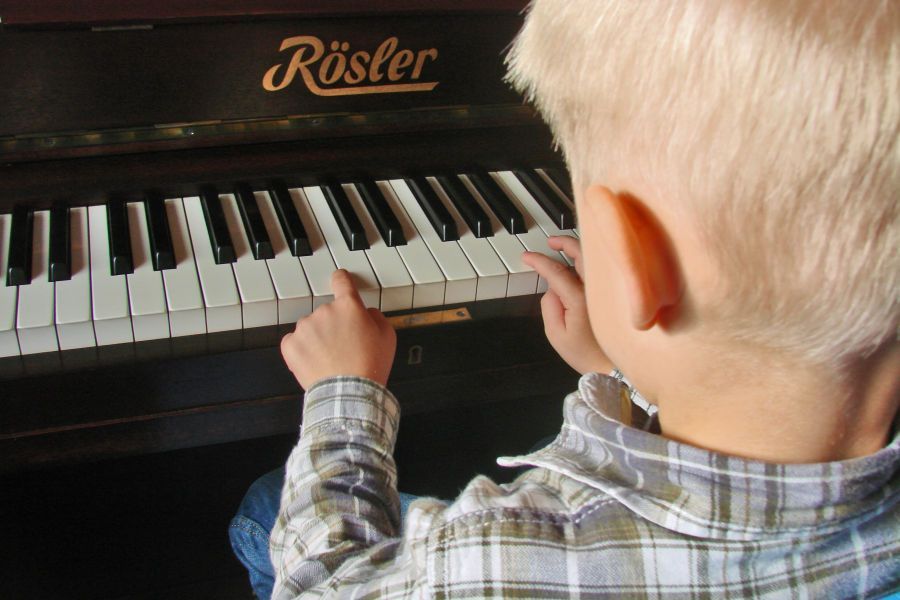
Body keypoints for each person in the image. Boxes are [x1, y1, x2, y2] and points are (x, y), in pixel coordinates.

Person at [230, 0, 899, 597]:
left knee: (264, 508)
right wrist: (618, 370)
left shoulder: (491, 559)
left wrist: (343, 392)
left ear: (638, 269)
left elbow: (322, 583)